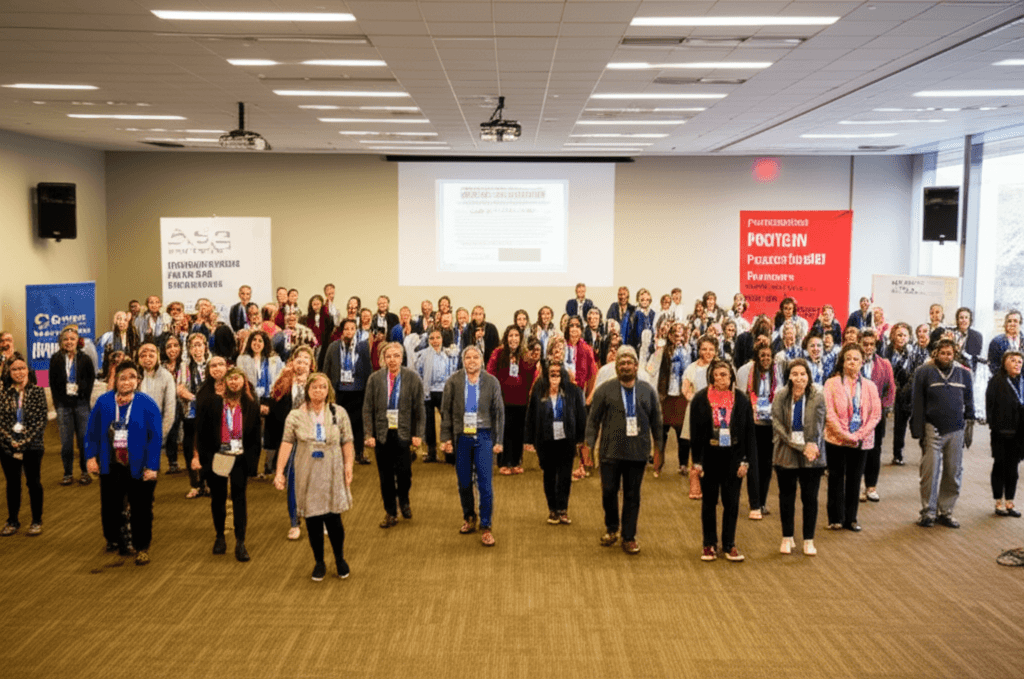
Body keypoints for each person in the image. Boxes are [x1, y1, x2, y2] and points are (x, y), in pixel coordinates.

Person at [275, 373, 355, 581]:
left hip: (332, 469)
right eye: (314, 388)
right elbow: (286, 443)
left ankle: (339, 559)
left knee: (333, 517)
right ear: (307, 391)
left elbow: (347, 441)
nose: (319, 391)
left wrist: (349, 465)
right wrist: (279, 472)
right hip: (307, 469)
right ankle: (319, 561)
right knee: (312, 519)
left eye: (322, 387)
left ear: (328, 389)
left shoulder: (339, 413)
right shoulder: (295, 415)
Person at [585, 346, 663, 555]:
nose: (626, 366)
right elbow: (592, 421)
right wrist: (588, 447)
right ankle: (612, 528)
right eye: (622, 363)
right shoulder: (604, 390)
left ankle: (629, 537)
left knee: (632, 495)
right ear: (616, 367)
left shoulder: (647, 390)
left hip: (637, 453)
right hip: (610, 452)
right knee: (609, 491)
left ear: (636, 366)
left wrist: (659, 450)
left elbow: (657, 422)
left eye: (629, 363)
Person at [84, 360, 162, 565]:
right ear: (115, 380)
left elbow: (155, 438)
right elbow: (91, 432)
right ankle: (116, 539)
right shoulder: (104, 402)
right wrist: (91, 457)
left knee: (141, 508)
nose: (127, 382)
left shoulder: (147, 404)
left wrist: (152, 467)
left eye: (132, 377)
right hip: (111, 463)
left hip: (140, 465)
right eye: (123, 378)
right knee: (111, 505)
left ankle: (142, 547)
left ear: (138, 380)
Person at [193, 362, 261, 561]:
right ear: (225, 382)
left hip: (240, 457)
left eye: (237, 378)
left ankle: (241, 542)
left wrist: (252, 464)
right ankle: (220, 536)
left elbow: (256, 437)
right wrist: (203, 461)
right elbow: (202, 433)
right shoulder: (212, 403)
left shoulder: (250, 405)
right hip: (219, 456)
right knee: (219, 497)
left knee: (240, 499)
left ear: (243, 381)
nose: (234, 382)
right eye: (230, 378)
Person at [690, 358, 754, 562]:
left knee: (732, 502)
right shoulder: (701, 399)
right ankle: (709, 544)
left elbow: (748, 433)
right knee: (709, 502)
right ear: (711, 376)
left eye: (724, 374)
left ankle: (729, 544)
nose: (720, 379)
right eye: (716, 375)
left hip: (733, 455)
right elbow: (696, 432)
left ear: (731, 376)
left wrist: (745, 460)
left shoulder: (742, 400)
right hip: (710, 454)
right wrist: (697, 462)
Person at [440, 345, 504, 547]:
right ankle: (469, 517)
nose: (472, 360)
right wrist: (446, 438)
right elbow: (446, 411)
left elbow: (499, 413)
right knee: (464, 481)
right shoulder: (453, 381)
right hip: (462, 435)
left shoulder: (492, 382)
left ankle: (486, 526)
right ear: (463, 360)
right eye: (468, 357)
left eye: (476, 357)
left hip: (484, 434)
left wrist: (499, 441)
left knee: (485, 483)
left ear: (482, 360)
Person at [911, 337, 974, 528]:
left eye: (950, 354)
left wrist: (968, 426)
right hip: (932, 428)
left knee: (953, 471)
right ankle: (927, 513)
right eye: (942, 353)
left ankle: (946, 511)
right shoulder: (923, 372)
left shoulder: (964, 374)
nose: (946, 357)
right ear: (935, 354)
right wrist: (918, 431)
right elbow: (917, 402)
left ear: (954, 354)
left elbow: (969, 402)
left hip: (956, 429)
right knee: (929, 471)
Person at [363, 342, 426, 528]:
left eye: (396, 356)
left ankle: (404, 500)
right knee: (385, 476)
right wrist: (369, 433)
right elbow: (367, 408)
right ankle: (390, 512)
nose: (392, 360)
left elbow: (419, 410)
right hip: (382, 433)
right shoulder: (374, 379)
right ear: (383, 359)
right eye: (388, 356)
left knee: (404, 473)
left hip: (404, 432)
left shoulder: (413, 378)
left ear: (402, 357)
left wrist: (418, 434)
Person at [823, 343, 882, 532]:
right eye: (848, 359)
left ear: (862, 362)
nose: (852, 363)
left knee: (855, 479)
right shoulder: (831, 383)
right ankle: (835, 518)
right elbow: (829, 412)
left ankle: (851, 519)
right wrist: (844, 434)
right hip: (836, 439)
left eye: (856, 359)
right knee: (836, 478)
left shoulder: (870, 386)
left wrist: (858, 435)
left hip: (861, 440)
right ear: (842, 361)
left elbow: (875, 415)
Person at [771, 359, 827, 556]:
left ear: (808, 376)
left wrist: (811, 446)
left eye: (803, 374)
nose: (799, 378)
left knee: (809, 497)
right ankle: (787, 537)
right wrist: (796, 445)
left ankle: (808, 540)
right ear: (788, 376)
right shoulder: (780, 395)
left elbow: (820, 424)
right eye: (794, 374)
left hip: (812, 452)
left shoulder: (817, 396)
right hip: (786, 450)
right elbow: (776, 423)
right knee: (786, 496)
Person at [524, 361, 588, 524]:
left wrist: (582, 439)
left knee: (565, 476)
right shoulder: (538, 391)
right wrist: (528, 440)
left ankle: (563, 509)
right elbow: (531, 416)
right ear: (546, 375)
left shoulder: (573, 391)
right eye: (551, 373)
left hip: (566, 439)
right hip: (545, 440)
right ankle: (552, 509)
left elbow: (581, 415)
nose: (555, 376)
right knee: (549, 475)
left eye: (558, 373)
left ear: (563, 375)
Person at [264, 346, 316, 540]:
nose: (301, 363)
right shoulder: (284, 381)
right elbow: (275, 406)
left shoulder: (318, 382)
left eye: (305, 360)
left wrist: (308, 388)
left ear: (311, 365)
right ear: (292, 363)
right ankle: (294, 522)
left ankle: (317, 517)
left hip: (313, 438)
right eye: (298, 360)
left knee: (316, 481)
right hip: (292, 439)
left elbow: (327, 407)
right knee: (293, 481)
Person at [0, 357, 47, 536]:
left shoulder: (37, 391)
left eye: (22, 368)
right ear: (8, 373)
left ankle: (36, 520)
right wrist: (11, 440)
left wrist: (23, 441)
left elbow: (40, 420)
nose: (19, 372)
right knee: (12, 484)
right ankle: (12, 520)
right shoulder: (3, 393)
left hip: (32, 446)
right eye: (14, 369)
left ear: (27, 370)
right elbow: (1, 422)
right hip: (7, 447)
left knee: (33, 482)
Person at [50, 325, 96, 486]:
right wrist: (58, 405)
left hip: (81, 404)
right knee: (66, 442)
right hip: (63, 406)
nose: (69, 342)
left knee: (84, 440)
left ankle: (85, 472)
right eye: (66, 339)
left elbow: (90, 381)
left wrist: (82, 395)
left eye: (72, 339)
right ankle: (67, 473)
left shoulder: (85, 359)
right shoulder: (55, 359)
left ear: (78, 341)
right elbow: (53, 385)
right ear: (61, 342)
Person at [647, 323, 694, 486]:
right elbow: (651, 369)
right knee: (661, 433)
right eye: (674, 333)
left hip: (682, 396)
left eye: (680, 334)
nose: (677, 337)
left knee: (683, 434)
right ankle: (658, 464)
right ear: (669, 335)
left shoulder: (689, 351)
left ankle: (682, 464)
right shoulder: (661, 351)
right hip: (665, 396)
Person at [323, 319, 374, 466]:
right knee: (337, 423)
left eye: (352, 329)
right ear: (342, 331)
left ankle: (359, 453)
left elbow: (368, 369)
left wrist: (368, 391)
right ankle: (337, 454)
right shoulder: (333, 347)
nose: (349, 332)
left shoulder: (362, 347)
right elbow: (326, 368)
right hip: (339, 391)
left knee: (358, 424)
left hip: (358, 390)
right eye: (346, 329)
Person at [487, 325, 537, 475]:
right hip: (503, 399)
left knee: (518, 432)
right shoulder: (498, 353)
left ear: (520, 338)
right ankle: (503, 463)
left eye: (516, 335)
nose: (513, 339)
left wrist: (533, 362)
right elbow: (490, 373)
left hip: (521, 400)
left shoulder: (525, 354)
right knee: (505, 431)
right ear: (506, 338)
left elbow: (531, 376)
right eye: (510, 335)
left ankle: (516, 462)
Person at [857, 329, 896, 503]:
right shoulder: (851, 362)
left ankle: (871, 486)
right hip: (855, 414)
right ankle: (856, 485)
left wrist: (883, 407)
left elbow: (890, 389)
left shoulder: (884, 364)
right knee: (856, 450)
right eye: (864, 344)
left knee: (875, 450)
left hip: (875, 415)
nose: (868, 348)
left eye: (871, 344)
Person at [986, 351, 1024, 518]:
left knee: (1013, 469)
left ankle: (1010, 501)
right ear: (1004, 363)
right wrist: (995, 427)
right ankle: (998, 501)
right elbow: (990, 406)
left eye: (1020, 361)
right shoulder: (997, 381)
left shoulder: (1021, 381)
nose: (1017, 364)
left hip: (1019, 433)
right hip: (1001, 432)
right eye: (1013, 360)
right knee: (1000, 466)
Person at [415, 328, 459, 463]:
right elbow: (418, 373)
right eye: (432, 338)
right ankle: (431, 452)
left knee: (446, 421)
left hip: (444, 391)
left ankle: (449, 451)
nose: (435, 341)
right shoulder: (422, 355)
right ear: (428, 341)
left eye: (437, 338)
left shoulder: (448, 354)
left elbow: (453, 373)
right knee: (428, 423)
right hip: (428, 391)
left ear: (442, 339)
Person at [744, 341, 777, 519]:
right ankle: (754, 503)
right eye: (762, 355)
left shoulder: (777, 376)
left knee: (766, 466)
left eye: (768, 356)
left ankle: (762, 502)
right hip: (754, 425)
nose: (765, 359)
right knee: (754, 465)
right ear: (757, 357)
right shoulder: (749, 374)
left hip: (770, 426)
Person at [177, 332, 210, 498]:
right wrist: (196, 399)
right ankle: (195, 485)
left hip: (210, 414)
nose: (197, 348)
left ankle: (208, 483)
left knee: (209, 447)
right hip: (190, 412)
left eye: (200, 344)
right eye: (193, 345)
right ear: (189, 349)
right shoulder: (184, 367)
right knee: (190, 448)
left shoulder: (213, 363)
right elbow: (180, 389)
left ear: (205, 346)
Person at [884, 322, 920, 466]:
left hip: (907, 391)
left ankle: (902, 453)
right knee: (896, 426)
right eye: (899, 335)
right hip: (890, 390)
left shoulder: (913, 352)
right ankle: (896, 454)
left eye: (905, 335)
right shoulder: (886, 351)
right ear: (893, 336)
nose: (902, 338)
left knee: (909, 425)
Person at [136, 342, 176, 470]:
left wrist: (161, 435)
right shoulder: (132, 375)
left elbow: (170, 410)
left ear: (158, 357)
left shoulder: (166, 377)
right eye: (143, 355)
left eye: (151, 355)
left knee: (151, 472)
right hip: (134, 429)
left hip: (155, 430)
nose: (147, 358)